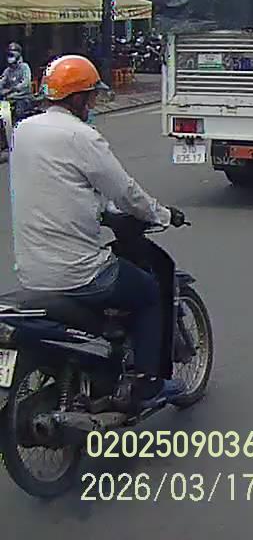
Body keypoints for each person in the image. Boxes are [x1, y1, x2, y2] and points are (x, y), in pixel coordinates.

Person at [10, 54, 186, 411]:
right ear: (77, 98)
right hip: (78, 273)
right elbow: (126, 193)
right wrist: (164, 214)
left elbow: (58, 184)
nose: (92, 104)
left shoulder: (23, 130)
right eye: (90, 96)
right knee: (148, 291)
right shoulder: (83, 136)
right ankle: (148, 384)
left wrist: (100, 211)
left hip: (31, 270)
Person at [2, 42, 34, 121]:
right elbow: (2, 80)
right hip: (10, 98)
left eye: (13, 53)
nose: (10, 56)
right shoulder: (7, 71)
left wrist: (14, 88)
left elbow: (26, 82)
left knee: (19, 113)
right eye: (9, 54)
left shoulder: (24, 67)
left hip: (23, 97)